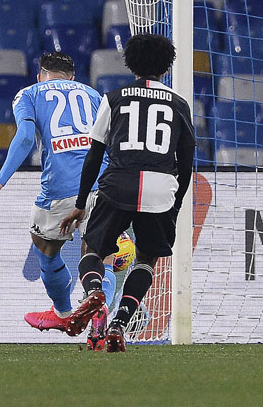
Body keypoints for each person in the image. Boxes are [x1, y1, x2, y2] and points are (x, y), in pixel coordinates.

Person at [59, 34, 195, 353]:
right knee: (146, 260)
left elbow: (95, 154)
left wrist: (80, 204)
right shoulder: (179, 103)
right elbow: (187, 161)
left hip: (119, 183)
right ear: (167, 65)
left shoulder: (114, 97)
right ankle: (120, 325)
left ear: (130, 63)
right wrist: (175, 204)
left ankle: (95, 291)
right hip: (161, 188)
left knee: (93, 249)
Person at [0, 52, 116, 350]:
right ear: (72, 76)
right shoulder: (93, 94)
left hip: (60, 189)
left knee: (45, 248)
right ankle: (100, 311)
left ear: (41, 75)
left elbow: (26, 138)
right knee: (101, 256)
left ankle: (64, 314)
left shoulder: (28, 93)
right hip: (103, 184)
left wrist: (0, 179)